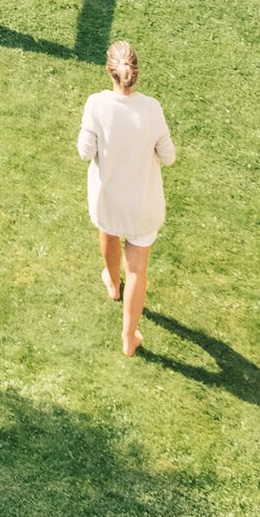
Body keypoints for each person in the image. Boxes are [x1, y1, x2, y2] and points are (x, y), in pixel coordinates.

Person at [78, 40, 175, 358]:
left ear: (110, 71)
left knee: (108, 232)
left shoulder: (96, 105)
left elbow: (85, 152)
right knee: (137, 271)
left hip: (108, 200)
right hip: (143, 206)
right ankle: (129, 337)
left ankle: (111, 282)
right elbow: (169, 156)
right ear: (136, 72)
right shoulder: (152, 108)